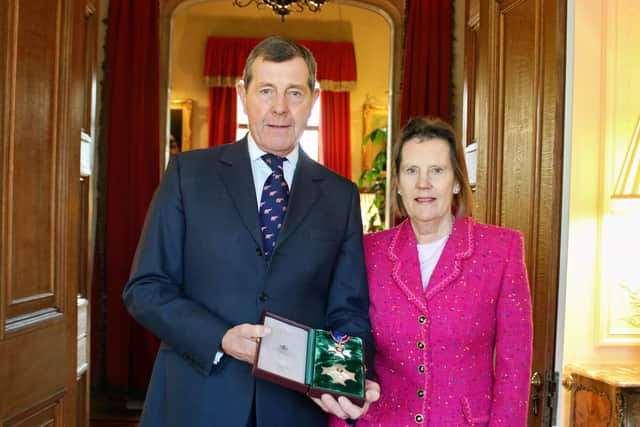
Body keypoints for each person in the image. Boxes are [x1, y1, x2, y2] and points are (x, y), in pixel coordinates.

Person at [123, 36, 380, 427]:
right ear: (243, 94)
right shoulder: (187, 175)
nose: (279, 107)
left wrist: (352, 379)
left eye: (294, 92)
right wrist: (221, 337)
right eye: (266, 90)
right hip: (194, 400)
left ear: (313, 98)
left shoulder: (340, 195)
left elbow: (347, 310)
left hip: (294, 411)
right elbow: (145, 288)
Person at [331, 117, 533, 426]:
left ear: (455, 180)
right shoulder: (367, 252)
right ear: (397, 182)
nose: (423, 184)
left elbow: (514, 365)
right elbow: (344, 330)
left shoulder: (501, 250)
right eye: (411, 171)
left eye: (436, 171)